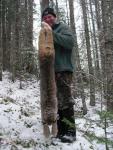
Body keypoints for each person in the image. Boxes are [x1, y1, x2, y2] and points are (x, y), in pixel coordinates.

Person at [42, 7, 76, 143]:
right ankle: (61, 131)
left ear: (54, 17)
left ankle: (71, 132)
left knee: (66, 101)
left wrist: (52, 34)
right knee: (57, 102)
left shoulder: (62, 27)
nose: (48, 19)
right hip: (51, 72)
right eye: (45, 18)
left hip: (64, 70)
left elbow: (69, 43)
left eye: (50, 17)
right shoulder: (45, 32)